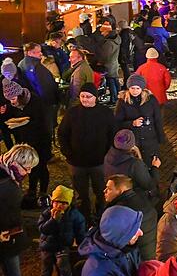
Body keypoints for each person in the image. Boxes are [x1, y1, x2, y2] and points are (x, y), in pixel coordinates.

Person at [57, 83, 116, 225]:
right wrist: (68, 153)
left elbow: (112, 135)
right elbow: (62, 134)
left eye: (88, 97)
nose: (85, 99)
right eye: (82, 96)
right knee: (80, 194)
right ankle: (84, 219)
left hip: (99, 162)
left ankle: (101, 216)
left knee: (102, 192)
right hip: (76, 163)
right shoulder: (72, 113)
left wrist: (107, 154)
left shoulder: (105, 113)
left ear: (95, 97)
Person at [0, 144, 39, 276]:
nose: (29, 172)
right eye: (27, 167)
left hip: (9, 236)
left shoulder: (8, 173)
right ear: (16, 163)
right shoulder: (7, 185)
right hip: (6, 240)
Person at [2, 79, 52, 207]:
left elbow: (44, 123)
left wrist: (27, 122)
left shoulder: (35, 101)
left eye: (13, 99)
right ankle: (31, 191)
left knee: (41, 167)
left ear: (19, 95)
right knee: (29, 168)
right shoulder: (13, 105)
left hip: (41, 142)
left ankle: (43, 193)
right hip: (25, 141)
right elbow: (9, 118)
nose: (11, 102)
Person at [37, 185, 86, 276]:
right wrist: (53, 220)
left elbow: (80, 231)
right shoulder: (47, 214)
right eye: (57, 202)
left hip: (63, 246)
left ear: (69, 204)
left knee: (64, 267)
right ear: (52, 201)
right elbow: (43, 229)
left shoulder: (75, 215)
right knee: (46, 268)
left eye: (64, 203)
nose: (59, 206)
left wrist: (81, 244)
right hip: (47, 246)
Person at [103, 174, 157, 260]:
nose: (104, 191)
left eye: (109, 189)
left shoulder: (120, 211)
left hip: (135, 258)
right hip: (149, 251)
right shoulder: (142, 198)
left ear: (120, 191)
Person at [115, 74, 165, 166]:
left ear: (142, 88)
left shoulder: (151, 100)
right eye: (132, 88)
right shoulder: (122, 102)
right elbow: (117, 123)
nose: (135, 91)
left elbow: (158, 119)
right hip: (132, 141)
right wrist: (132, 123)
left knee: (150, 165)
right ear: (128, 88)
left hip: (150, 140)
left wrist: (160, 137)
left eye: (137, 88)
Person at [104, 129, 160, 203]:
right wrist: (155, 167)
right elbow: (149, 185)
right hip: (134, 201)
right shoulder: (135, 164)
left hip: (116, 198)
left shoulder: (108, 156)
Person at [17, 42, 59, 134]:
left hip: (30, 101)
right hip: (43, 102)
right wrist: (53, 101)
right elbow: (45, 86)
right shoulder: (36, 66)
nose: (41, 54)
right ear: (29, 53)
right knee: (45, 128)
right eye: (38, 52)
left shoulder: (20, 64)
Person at [94, 20, 121, 103]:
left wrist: (100, 61)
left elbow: (105, 56)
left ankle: (114, 99)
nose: (101, 34)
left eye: (103, 32)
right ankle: (118, 96)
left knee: (111, 81)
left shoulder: (109, 43)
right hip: (114, 62)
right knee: (115, 80)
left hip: (109, 64)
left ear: (107, 32)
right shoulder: (117, 39)